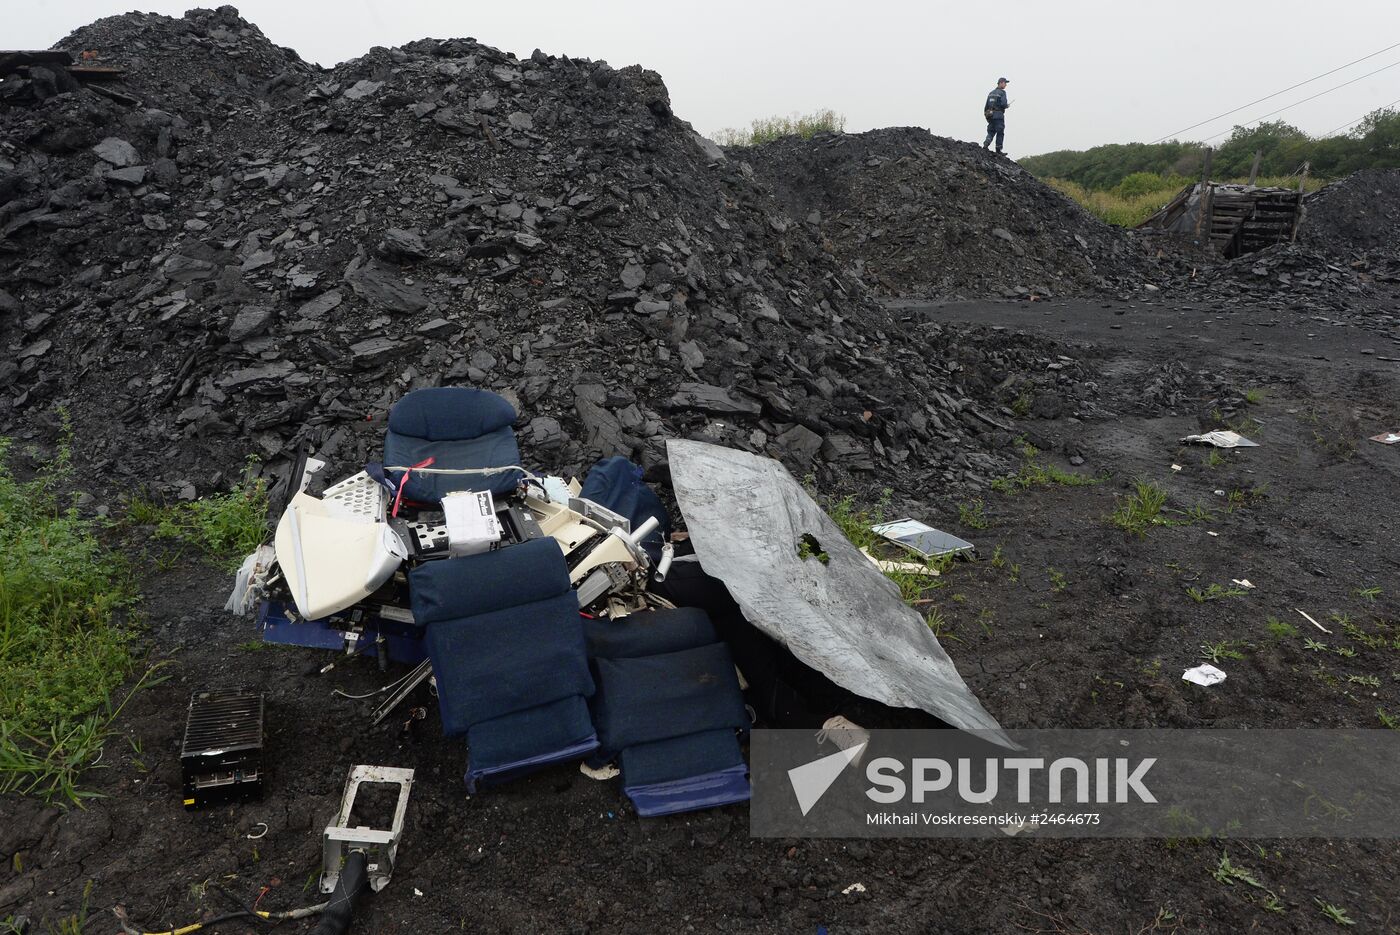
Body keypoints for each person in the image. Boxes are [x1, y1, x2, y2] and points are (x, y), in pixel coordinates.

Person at [983, 76, 1010, 154]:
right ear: (1001, 83)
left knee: (991, 131)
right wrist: (1006, 106)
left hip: (990, 116)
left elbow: (986, 107)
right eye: (1005, 83)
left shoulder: (991, 93)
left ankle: (986, 144)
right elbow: (1004, 104)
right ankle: (998, 150)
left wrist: (987, 117)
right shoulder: (1002, 92)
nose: (1006, 85)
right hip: (998, 116)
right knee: (1000, 132)